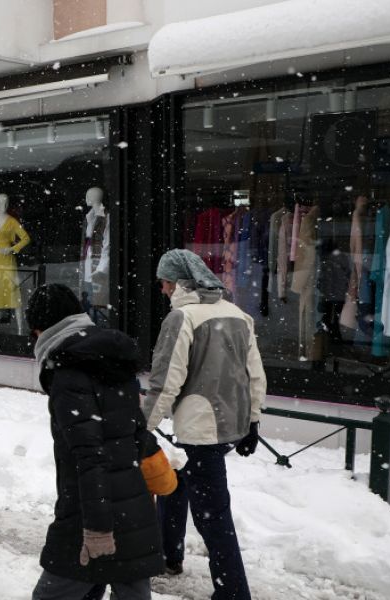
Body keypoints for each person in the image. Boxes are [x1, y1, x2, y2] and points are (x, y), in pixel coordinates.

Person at [26, 283, 166, 600]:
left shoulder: (67, 372)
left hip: (89, 516)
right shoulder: (111, 359)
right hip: (132, 510)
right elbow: (135, 434)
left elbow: (89, 456)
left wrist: (98, 530)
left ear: (40, 329)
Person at [143, 249, 265, 600]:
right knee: (175, 478)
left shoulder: (182, 318)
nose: (163, 290)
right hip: (231, 424)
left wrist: (142, 427)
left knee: (213, 514)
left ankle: (233, 592)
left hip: (200, 428)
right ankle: (168, 554)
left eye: (165, 282)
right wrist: (253, 420)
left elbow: (166, 380)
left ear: (179, 282)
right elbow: (254, 374)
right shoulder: (238, 314)